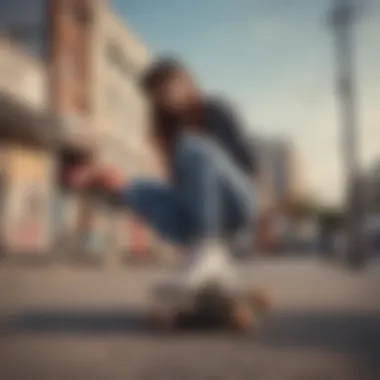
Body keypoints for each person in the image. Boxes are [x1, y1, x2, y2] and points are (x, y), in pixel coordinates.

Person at [72, 58, 259, 289]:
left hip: (237, 204)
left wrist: (244, 231)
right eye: (159, 92)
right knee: (135, 188)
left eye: (171, 86)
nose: (167, 95)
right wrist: (116, 180)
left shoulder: (214, 110)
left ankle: (209, 251)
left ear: (187, 82)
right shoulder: (168, 133)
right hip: (200, 216)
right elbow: (179, 188)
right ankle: (206, 257)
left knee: (194, 146)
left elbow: (249, 171)